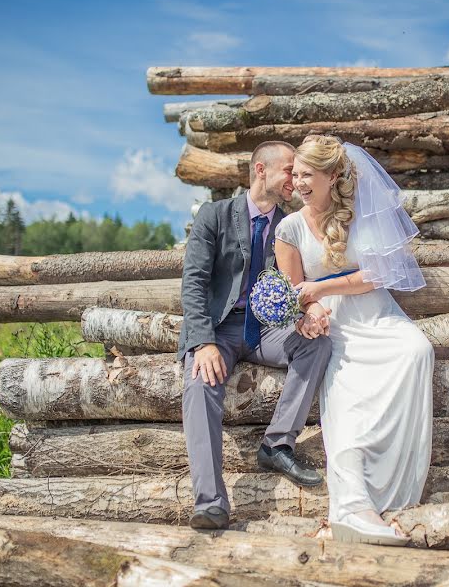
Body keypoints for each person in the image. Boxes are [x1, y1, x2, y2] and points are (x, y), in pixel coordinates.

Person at [274, 135, 434, 546]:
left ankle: (395, 490)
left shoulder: (362, 212)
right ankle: (352, 505)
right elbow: (296, 294)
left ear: (333, 176)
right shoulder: (289, 228)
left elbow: (377, 275)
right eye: (296, 174)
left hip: (376, 313)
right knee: (346, 398)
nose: (299, 182)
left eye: (308, 174)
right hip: (337, 325)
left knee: (417, 350)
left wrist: (322, 290)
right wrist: (309, 315)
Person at [179, 140, 333, 531]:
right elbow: (194, 282)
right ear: (261, 170)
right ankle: (211, 502)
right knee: (201, 383)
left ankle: (277, 444)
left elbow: (293, 282)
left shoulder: (288, 225)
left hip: (267, 329)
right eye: (288, 171)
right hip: (218, 329)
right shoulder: (214, 216)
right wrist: (203, 342)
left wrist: (302, 317)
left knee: (318, 345)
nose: (294, 181)